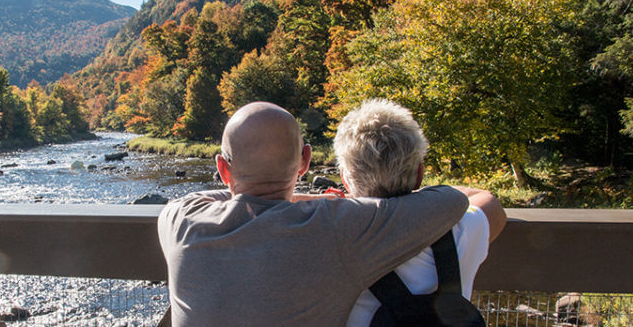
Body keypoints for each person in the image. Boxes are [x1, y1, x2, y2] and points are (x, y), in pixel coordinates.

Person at [157, 101, 472, 326]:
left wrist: (265, 190)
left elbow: (222, 195)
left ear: (222, 169)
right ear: (305, 162)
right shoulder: (334, 226)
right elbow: (451, 201)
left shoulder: (179, 220)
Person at [333, 99, 506, 326]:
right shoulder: (459, 228)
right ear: (419, 173)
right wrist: (428, 195)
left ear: (345, 179)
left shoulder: (329, 237)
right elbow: (489, 202)